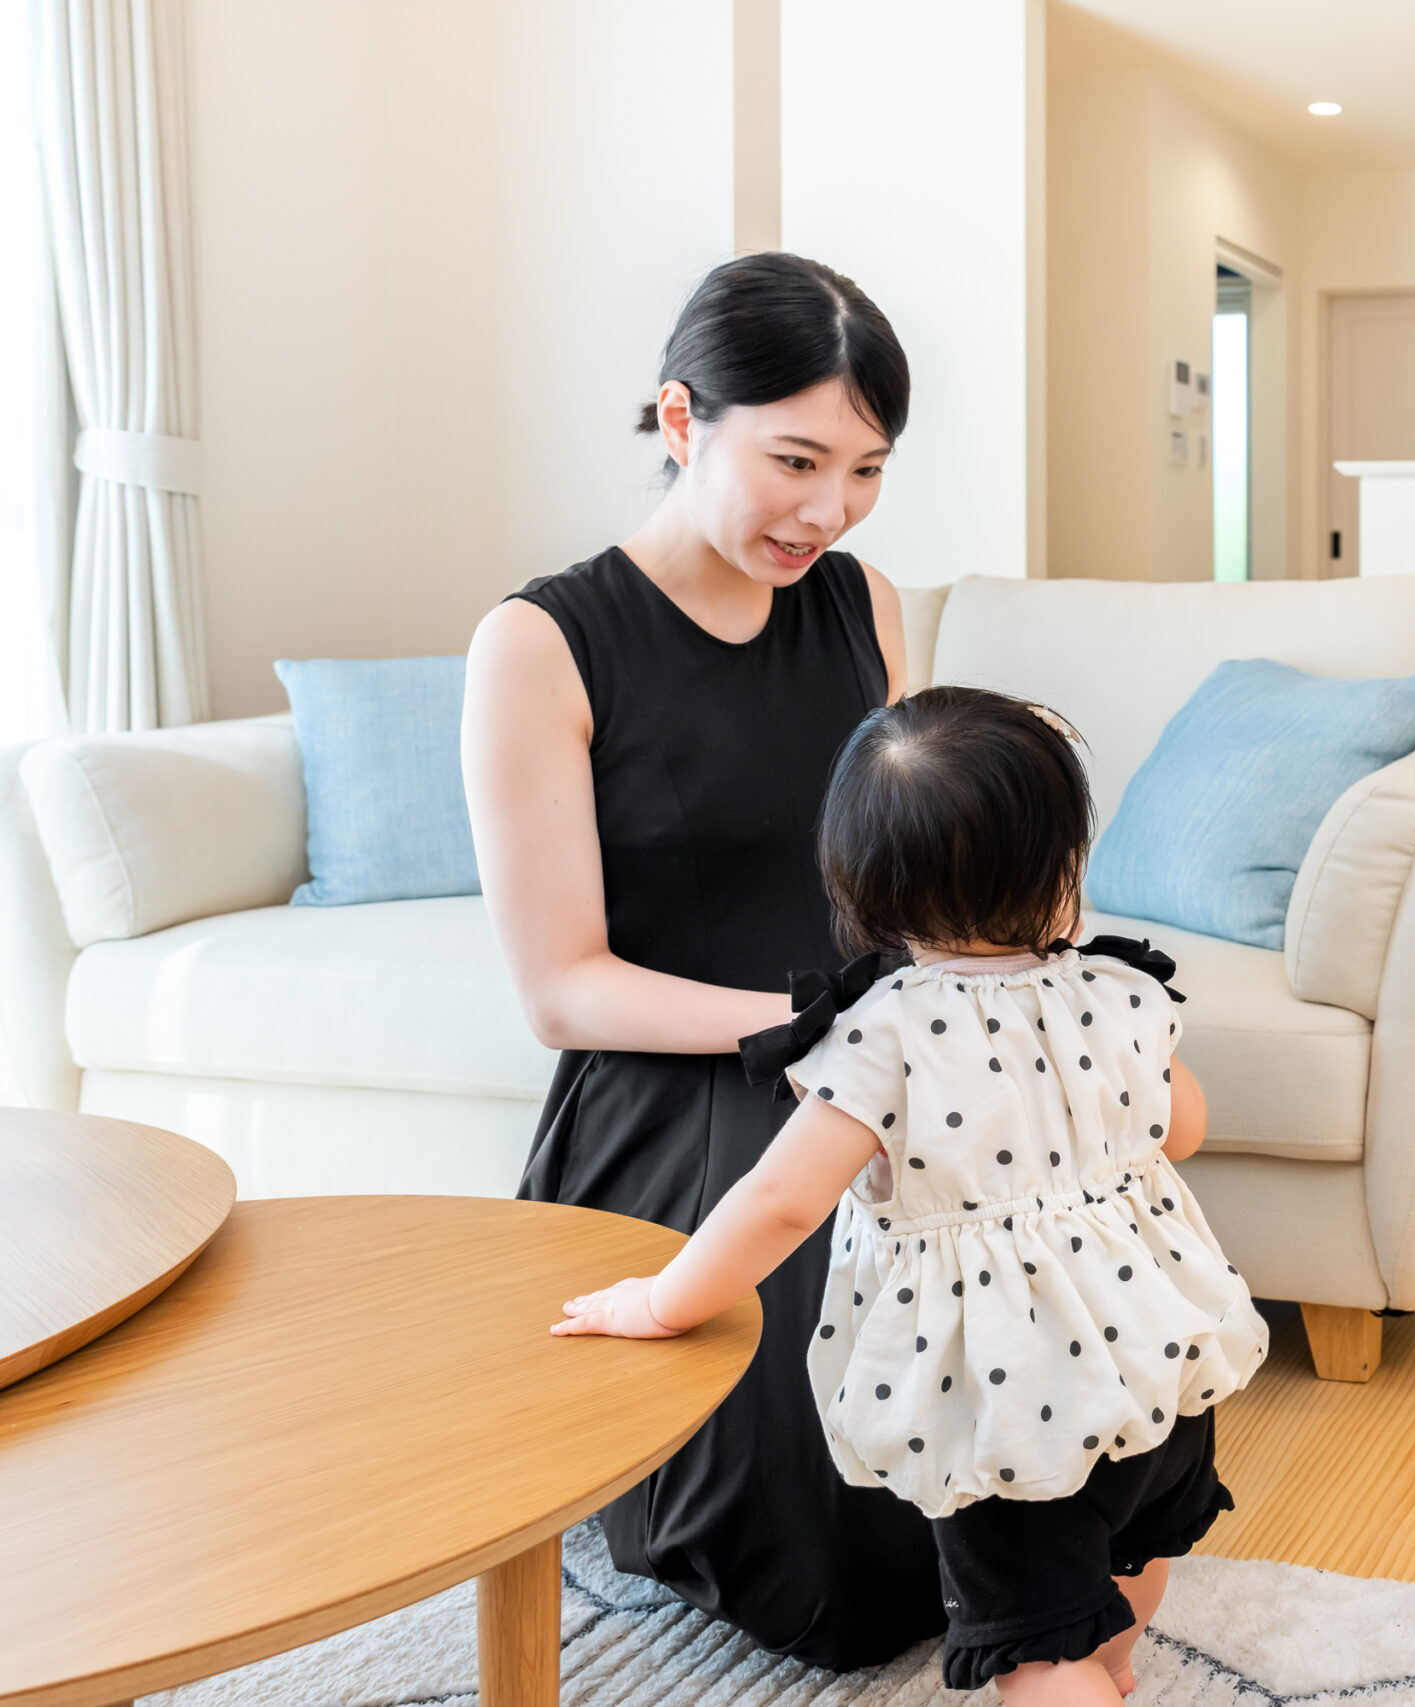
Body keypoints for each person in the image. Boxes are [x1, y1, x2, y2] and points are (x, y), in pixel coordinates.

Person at [552, 686, 1270, 1703]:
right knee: (1129, 1550)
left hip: (1012, 1400)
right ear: (1064, 871)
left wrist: (662, 1299)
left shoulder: (882, 1036)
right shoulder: (1119, 992)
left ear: (861, 888)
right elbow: (1183, 1130)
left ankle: (1075, 1682)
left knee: (1034, 1644)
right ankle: (1113, 1672)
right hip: (1153, 1358)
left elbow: (779, 1204)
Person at [459, 253, 945, 1663]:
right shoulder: (544, 641)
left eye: (866, 469)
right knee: (840, 1565)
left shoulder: (867, 606)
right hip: (683, 1082)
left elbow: (903, 876)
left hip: (868, 1053)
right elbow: (564, 986)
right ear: (682, 418)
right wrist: (819, 1024)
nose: (830, 508)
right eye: (795, 458)